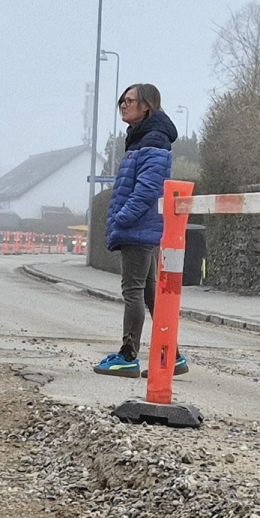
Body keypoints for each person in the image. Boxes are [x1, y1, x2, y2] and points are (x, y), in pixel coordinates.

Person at [96, 84, 185, 377]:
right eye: (122, 99)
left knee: (132, 291)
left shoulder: (153, 139)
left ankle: (127, 355)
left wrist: (123, 218)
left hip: (139, 228)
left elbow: (147, 187)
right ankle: (172, 355)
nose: (123, 104)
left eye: (130, 100)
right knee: (149, 294)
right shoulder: (140, 137)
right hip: (141, 227)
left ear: (146, 105)